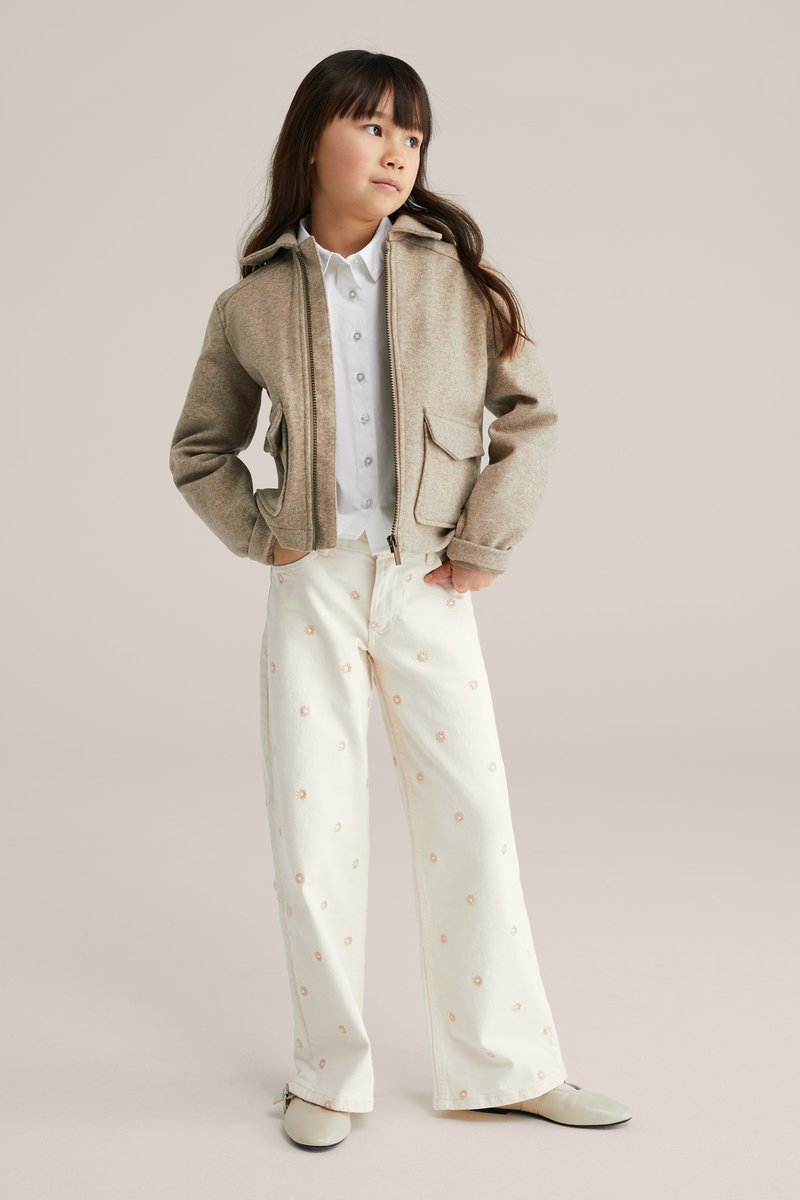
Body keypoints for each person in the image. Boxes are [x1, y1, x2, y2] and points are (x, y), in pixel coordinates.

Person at [169, 49, 633, 1150]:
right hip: (315, 588)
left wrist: (485, 540)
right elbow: (200, 449)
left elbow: (530, 418)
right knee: (314, 830)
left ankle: (505, 1064)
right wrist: (263, 533)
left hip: (426, 584)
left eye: (411, 135)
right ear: (311, 143)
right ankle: (327, 1075)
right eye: (372, 126)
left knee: (473, 816)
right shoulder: (253, 302)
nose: (395, 152)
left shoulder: (454, 280)